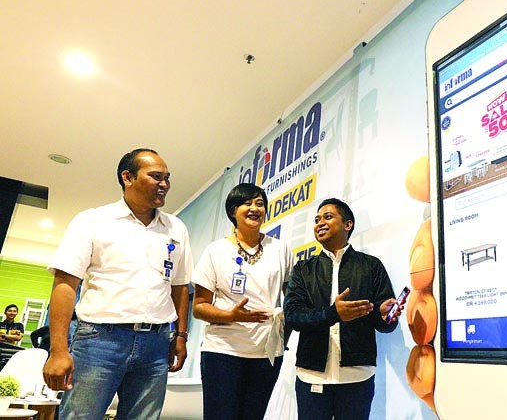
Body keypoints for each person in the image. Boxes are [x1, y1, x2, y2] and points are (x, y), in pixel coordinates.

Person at [42, 148, 193, 420]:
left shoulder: (176, 228)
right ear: (128, 177)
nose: (165, 184)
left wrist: (180, 336)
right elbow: (65, 284)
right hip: (99, 340)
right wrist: (58, 350)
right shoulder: (92, 220)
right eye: (156, 176)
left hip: (156, 345)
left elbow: (180, 286)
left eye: (167, 178)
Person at [284, 198, 404, 420]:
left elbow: (384, 324)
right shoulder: (303, 269)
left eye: (328, 217)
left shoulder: (371, 266)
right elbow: (293, 316)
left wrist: (386, 316)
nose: (320, 223)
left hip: (357, 377)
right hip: (311, 376)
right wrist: (333, 314)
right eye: (317, 219)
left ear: (348, 225)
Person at [192, 183, 294, 420]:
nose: (255, 209)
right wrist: (231, 316)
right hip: (223, 351)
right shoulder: (215, 251)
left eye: (260, 204)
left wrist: (282, 337)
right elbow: (199, 307)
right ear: (233, 211)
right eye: (247, 203)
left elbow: (292, 302)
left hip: (266, 353)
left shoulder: (280, 250)